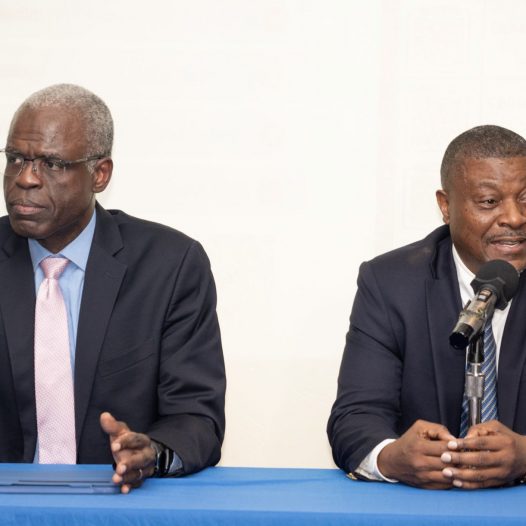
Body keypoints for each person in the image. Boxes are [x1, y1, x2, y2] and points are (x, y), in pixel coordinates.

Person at [0, 84, 226, 493]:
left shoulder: (169, 266)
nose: (25, 179)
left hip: (118, 501)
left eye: (51, 163)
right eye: (16, 159)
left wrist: (153, 453)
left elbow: (197, 417)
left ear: (100, 174)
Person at [328, 125, 526, 489]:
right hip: (424, 505)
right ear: (446, 206)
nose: (514, 218)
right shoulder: (391, 284)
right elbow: (356, 418)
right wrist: (391, 457)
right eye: (489, 202)